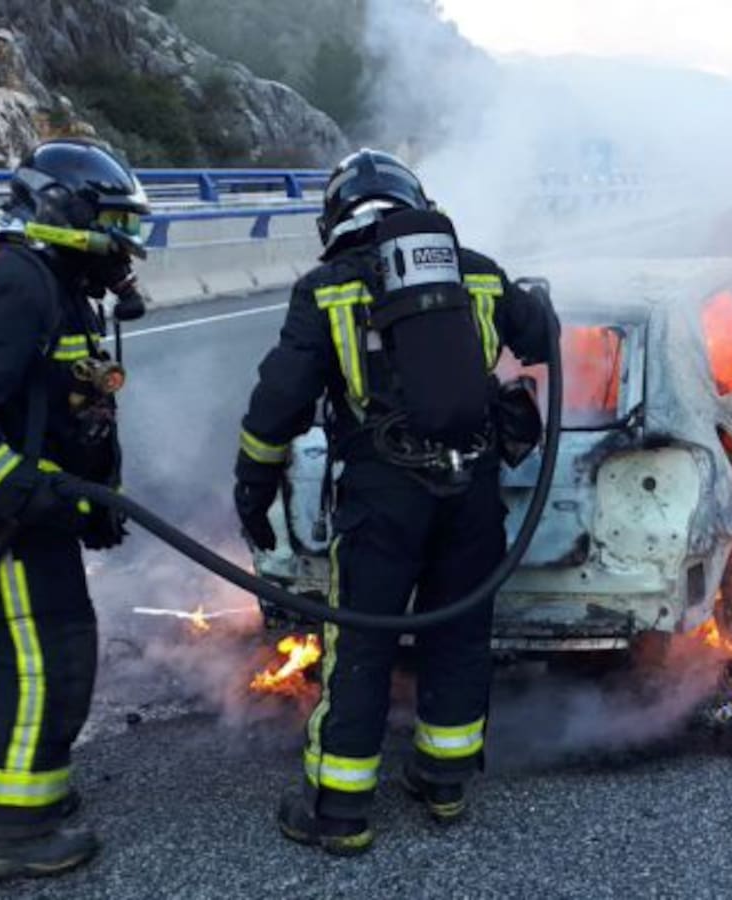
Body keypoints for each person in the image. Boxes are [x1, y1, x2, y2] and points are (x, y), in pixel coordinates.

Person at [234, 148, 556, 855]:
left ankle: (340, 811)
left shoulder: (327, 288)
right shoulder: (475, 270)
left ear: (337, 218)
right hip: (471, 489)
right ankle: (444, 784)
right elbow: (540, 339)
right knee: (461, 631)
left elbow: (279, 401)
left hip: (382, 496)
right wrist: (531, 304)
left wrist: (253, 484)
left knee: (362, 643)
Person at [0, 138, 149, 879]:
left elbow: (65, 406)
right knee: (53, 651)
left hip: (27, 504)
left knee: (6, 650)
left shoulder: (50, 281)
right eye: (116, 225)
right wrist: (25, 494)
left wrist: (92, 500)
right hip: (2, 509)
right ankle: (10, 830)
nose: (126, 244)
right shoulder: (13, 279)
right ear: (66, 211)